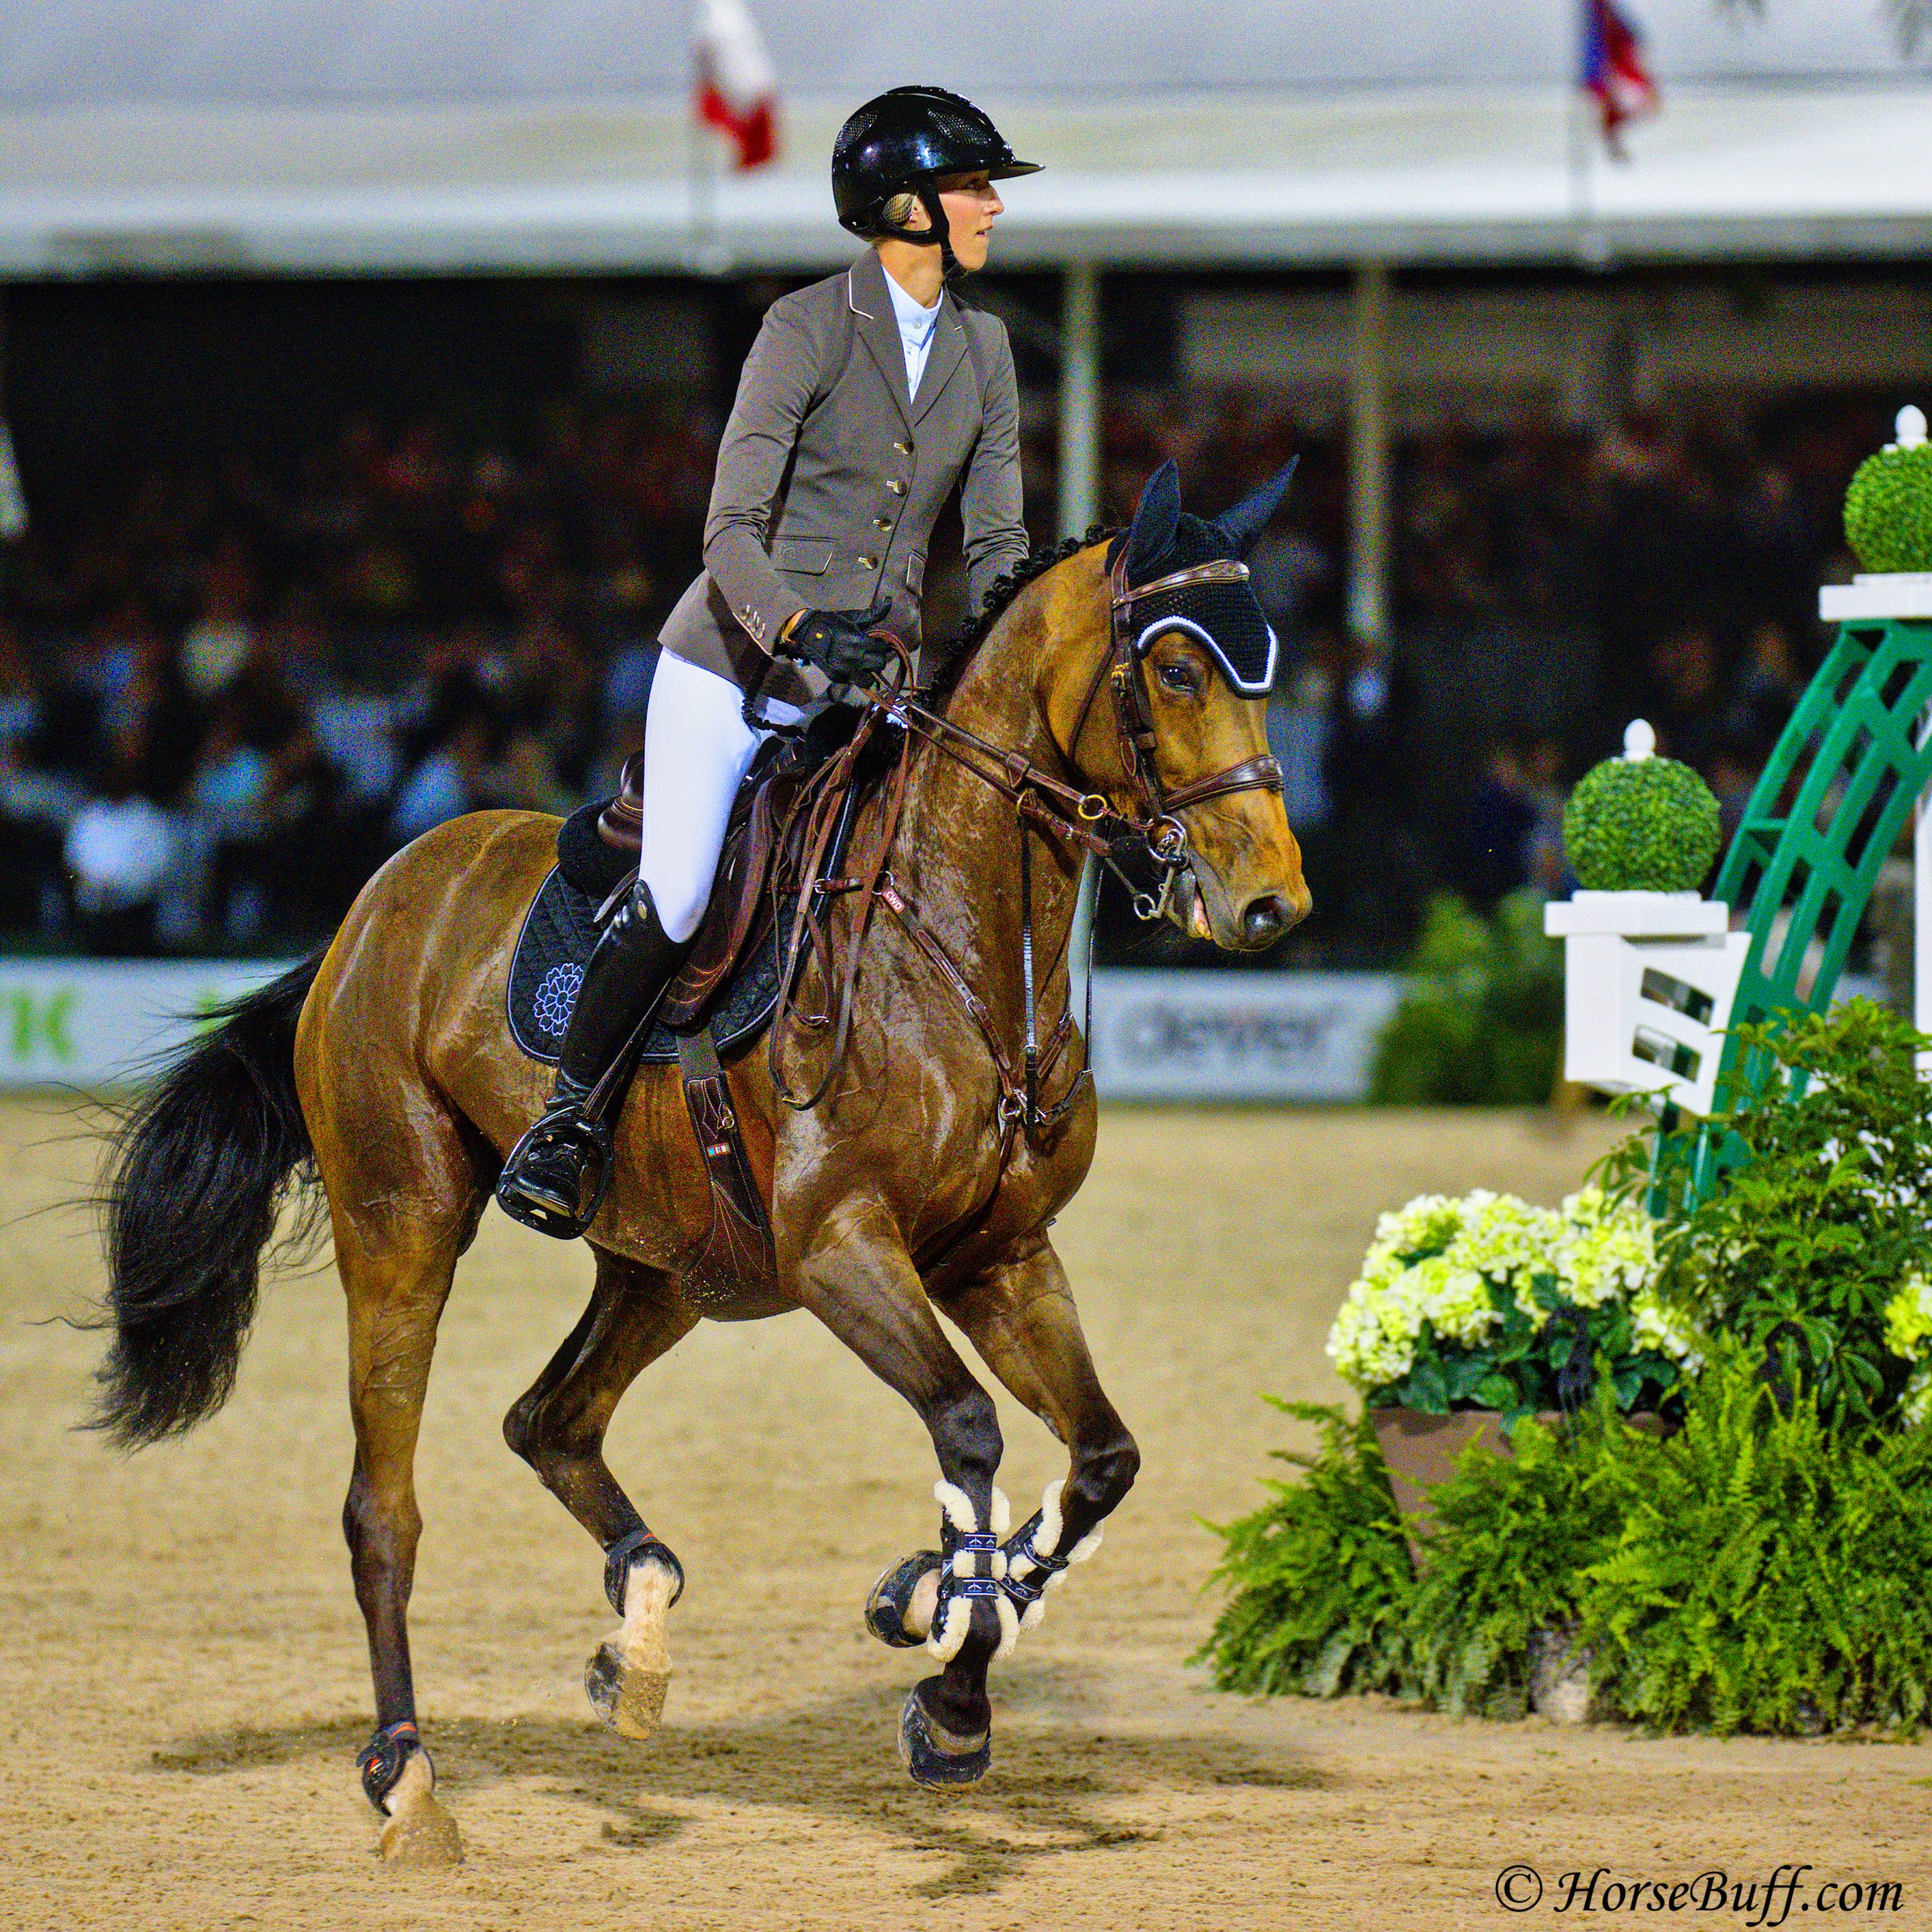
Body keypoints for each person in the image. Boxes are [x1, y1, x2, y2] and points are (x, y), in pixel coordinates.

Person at [498, 85, 1037, 1233]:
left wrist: (1006, 651)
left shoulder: (986, 350)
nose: (993, 205)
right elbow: (730, 532)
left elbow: (996, 544)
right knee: (684, 885)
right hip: (736, 664)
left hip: (874, 679)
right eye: (973, 187)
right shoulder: (802, 328)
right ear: (906, 207)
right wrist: (800, 631)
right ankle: (567, 1120)